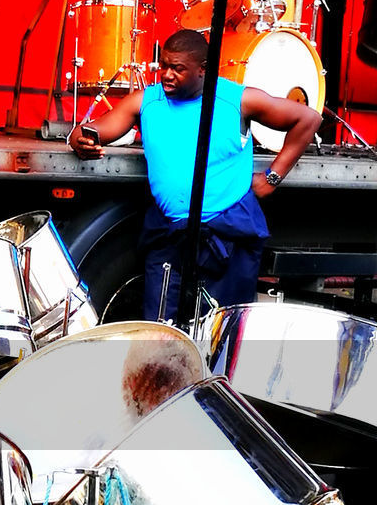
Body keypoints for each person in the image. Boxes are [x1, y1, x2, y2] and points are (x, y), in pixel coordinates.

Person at [69, 28, 321, 320]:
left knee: (221, 332)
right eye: (163, 65)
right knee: (161, 331)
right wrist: (80, 138)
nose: (166, 75)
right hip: (170, 234)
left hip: (227, 232)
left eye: (178, 69)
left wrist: (272, 179)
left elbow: (307, 118)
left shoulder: (238, 100)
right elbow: (95, 130)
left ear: (203, 70)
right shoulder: (147, 101)